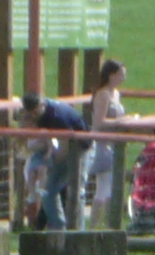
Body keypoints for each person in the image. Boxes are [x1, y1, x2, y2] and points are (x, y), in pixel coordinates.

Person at [16, 90, 86, 229]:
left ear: (42, 104)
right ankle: (58, 229)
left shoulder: (57, 116)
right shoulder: (38, 115)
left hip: (80, 148)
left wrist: (50, 164)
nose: (33, 116)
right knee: (48, 191)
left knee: (76, 189)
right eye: (30, 113)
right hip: (59, 149)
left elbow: (65, 147)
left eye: (34, 113)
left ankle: (78, 231)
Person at [77, 58, 130, 224]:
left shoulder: (116, 94)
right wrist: (120, 122)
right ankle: (107, 224)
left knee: (104, 189)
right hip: (102, 144)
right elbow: (99, 122)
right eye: (121, 74)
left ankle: (98, 225)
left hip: (112, 143)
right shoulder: (103, 95)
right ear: (111, 75)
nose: (124, 78)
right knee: (106, 188)